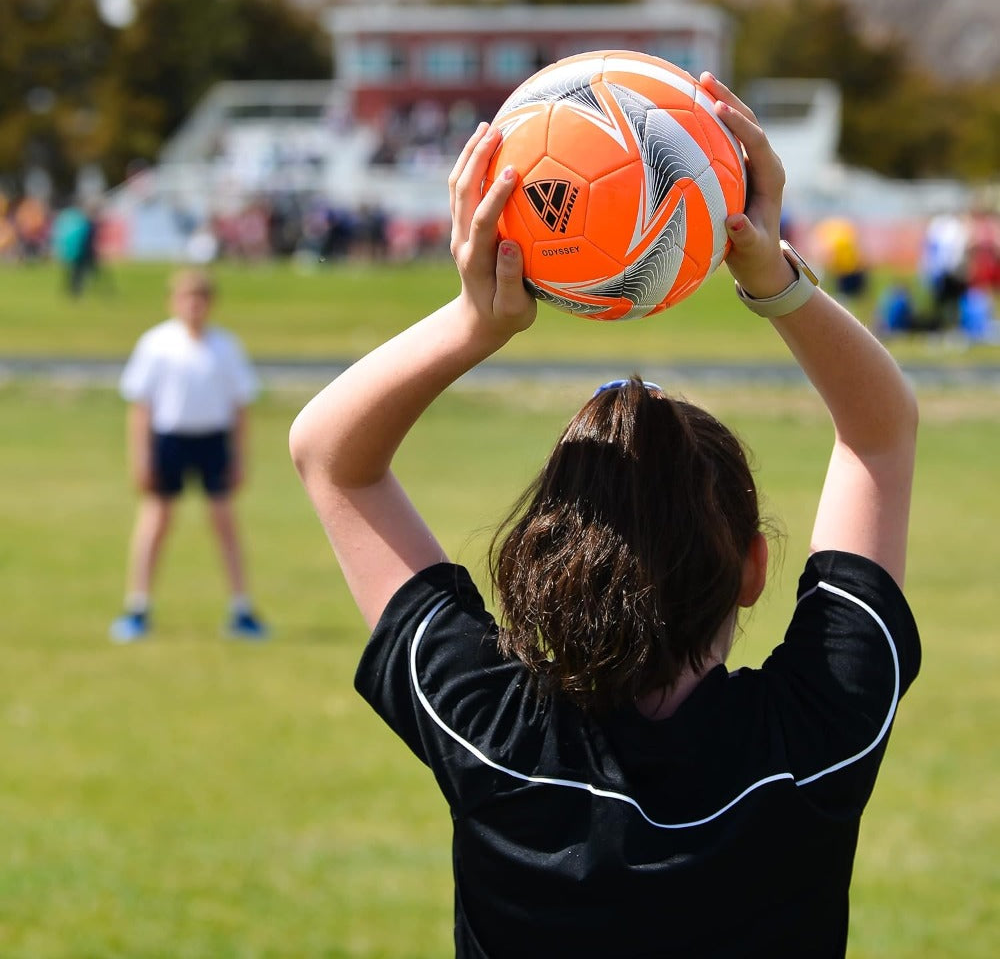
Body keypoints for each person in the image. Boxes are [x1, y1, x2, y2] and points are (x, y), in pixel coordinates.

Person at [289, 75, 920, 957]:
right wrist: (770, 273)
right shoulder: (818, 735)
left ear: (541, 563)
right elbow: (880, 437)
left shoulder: (496, 739)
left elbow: (331, 456)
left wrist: (476, 321)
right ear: (752, 568)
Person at [110, 268, 269, 643]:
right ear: (173, 303)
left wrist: (239, 457)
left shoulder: (225, 347)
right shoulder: (156, 344)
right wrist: (141, 457)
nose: (193, 306)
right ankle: (137, 607)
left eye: (200, 299)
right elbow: (140, 406)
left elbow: (240, 406)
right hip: (169, 440)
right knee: (156, 520)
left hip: (213, 440)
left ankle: (241, 608)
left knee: (224, 523)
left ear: (210, 304)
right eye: (186, 298)